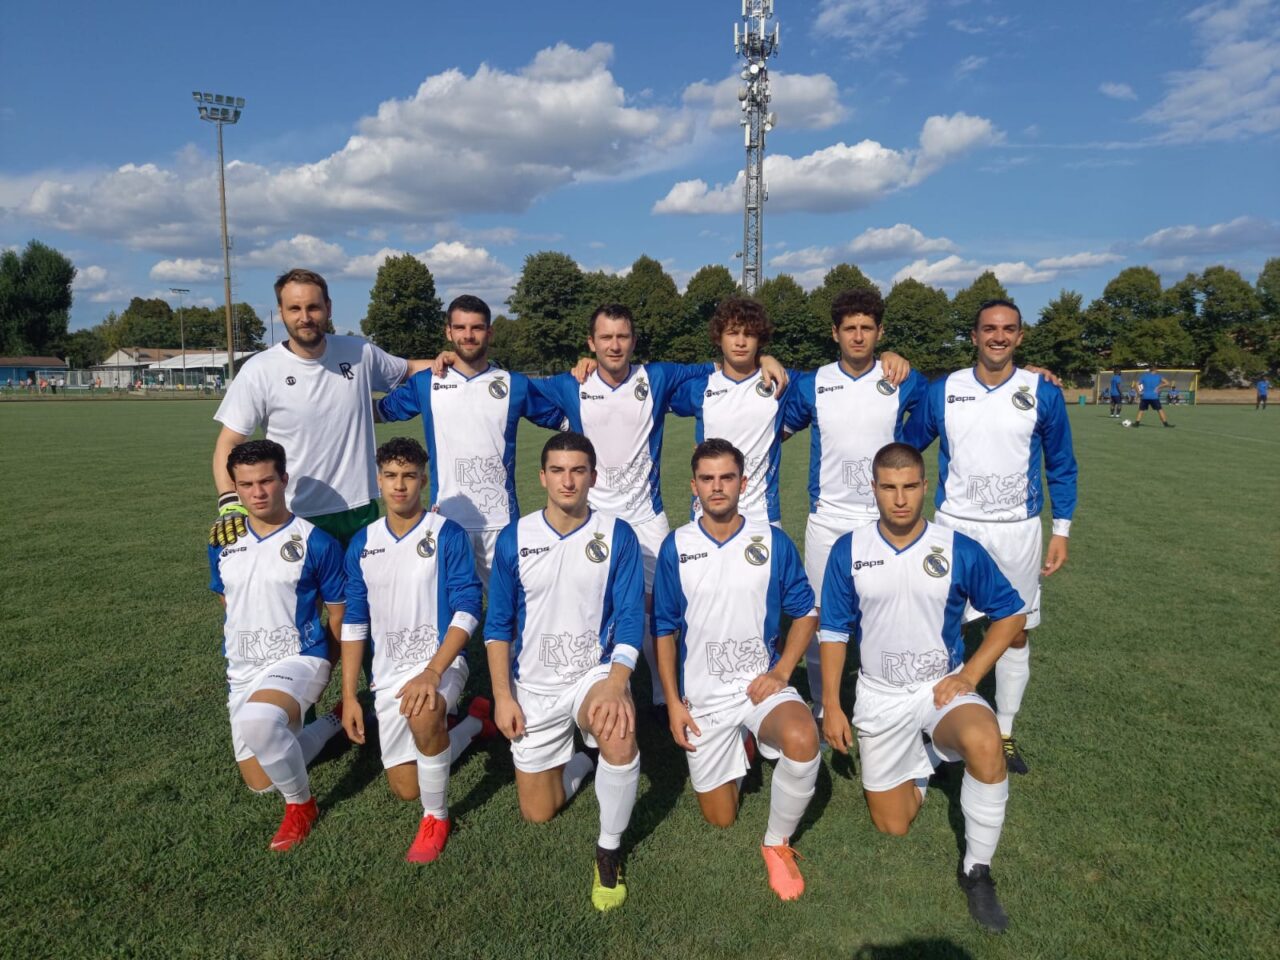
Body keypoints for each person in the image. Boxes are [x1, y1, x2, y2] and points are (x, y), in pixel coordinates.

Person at [525, 304, 786, 719]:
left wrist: (765, 358)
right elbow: (513, 391)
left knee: (658, 605)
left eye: (623, 336)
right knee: (591, 602)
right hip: (590, 519)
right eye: (606, 338)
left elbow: (719, 367)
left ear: (634, 341)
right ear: (591, 344)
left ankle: (666, 693)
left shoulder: (657, 377)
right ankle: (589, 681)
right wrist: (436, 361)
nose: (615, 345)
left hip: (647, 517)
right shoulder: (570, 383)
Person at [818, 442, 1026, 932]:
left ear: (925, 487)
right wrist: (831, 702)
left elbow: (1011, 612)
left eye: (910, 486)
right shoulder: (849, 549)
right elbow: (834, 631)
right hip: (879, 695)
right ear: (873, 490)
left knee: (984, 739)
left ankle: (977, 869)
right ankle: (929, 760)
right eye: (889, 487)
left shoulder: (956, 547)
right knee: (893, 825)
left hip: (940, 692)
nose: (901, 499)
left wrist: (970, 675)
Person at [906, 299, 1077, 774]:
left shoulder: (1042, 391)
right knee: (942, 628)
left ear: (1020, 337)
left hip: (1016, 532)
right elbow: (908, 440)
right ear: (975, 336)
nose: (998, 337)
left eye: (1008, 329)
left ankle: (1002, 731)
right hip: (955, 529)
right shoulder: (945, 390)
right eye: (988, 329)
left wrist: (1060, 530)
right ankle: (935, 724)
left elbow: (1061, 465)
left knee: (1015, 632)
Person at [653, 438, 821, 901]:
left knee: (804, 739)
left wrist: (784, 670)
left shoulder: (771, 540)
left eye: (727, 477)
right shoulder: (677, 547)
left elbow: (807, 612)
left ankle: (776, 844)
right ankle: (743, 746)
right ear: (693, 486)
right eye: (707, 479)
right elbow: (664, 630)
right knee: (720, 817)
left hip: (758, 686)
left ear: (744, 483)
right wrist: (672, 703)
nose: (717, 487)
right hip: (703, 698)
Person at [485, 431, 645, 911]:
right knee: (538, 812)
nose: (568, 480)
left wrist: (617, 684)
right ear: (542, 477)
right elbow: (497, 626)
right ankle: (581, 761)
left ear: (593, 476)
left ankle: (609, 850)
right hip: (533, 685)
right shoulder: (515, 536)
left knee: (618, 732)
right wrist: (502, 696)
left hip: (592, 675)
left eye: (578, 470)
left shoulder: (618, 535)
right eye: (558, 470)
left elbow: (632, 618)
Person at [339, 437, 494, 863]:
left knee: (425, 714)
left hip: (440, 664)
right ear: (379, 480)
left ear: (424, 479)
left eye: (409, 476)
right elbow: (354, 621)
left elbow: (468, 608)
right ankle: (474, 725)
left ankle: (437, 816)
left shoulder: (447, 534)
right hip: (388, 676)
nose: (400, 485)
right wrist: (351, 694)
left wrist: (433, 671)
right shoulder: (362, 542)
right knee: (406, 788)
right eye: (391, 476)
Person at [783, 287, 926, 722]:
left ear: (880, 332)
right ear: (835, 333)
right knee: (819, 614)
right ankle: (823, 704)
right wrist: (773, 363)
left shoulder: (903, 379)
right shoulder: (813, 383)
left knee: (888, 610)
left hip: (883, 521)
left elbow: (931, 423)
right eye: (850, 328)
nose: (859, 336)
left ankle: (890, 698)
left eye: (867, 328)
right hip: (828, 520)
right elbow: (775, 428)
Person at [210, 268, 429, 548]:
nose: (305, 317)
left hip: (359, 510)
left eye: (313, 307)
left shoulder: (359, 352)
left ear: (328, 307)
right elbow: (229, 441)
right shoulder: (260, 369)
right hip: (294, 513)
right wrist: (230, 502)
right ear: (281, 311)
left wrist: (456, 363)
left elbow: (409, 369)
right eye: (294, 308)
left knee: (362, 592)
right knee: (301, 594)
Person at [206, 439, 348, 851]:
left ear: (284, 479)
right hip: (242, 667)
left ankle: (301, 806)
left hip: (299, 658)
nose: (258, 492)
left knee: (260, 724)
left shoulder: (315, 542)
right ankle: (330, 724)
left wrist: (328, 669)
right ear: (235, 486)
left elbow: (338, 616)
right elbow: (228, 597)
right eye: (246, 484)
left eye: (267, 480)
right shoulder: (223, 538)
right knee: (261, 780)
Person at [375, 295, 564, 588]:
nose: (468, 335)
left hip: (501, 522)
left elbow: (563, 420)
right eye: (460, 328)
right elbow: (380, 413)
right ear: (448, 332)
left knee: (513, 611)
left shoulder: (514, 383)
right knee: (444, 609)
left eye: (476, 328)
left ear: (489, 332)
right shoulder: (427, 383)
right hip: (447, 519)